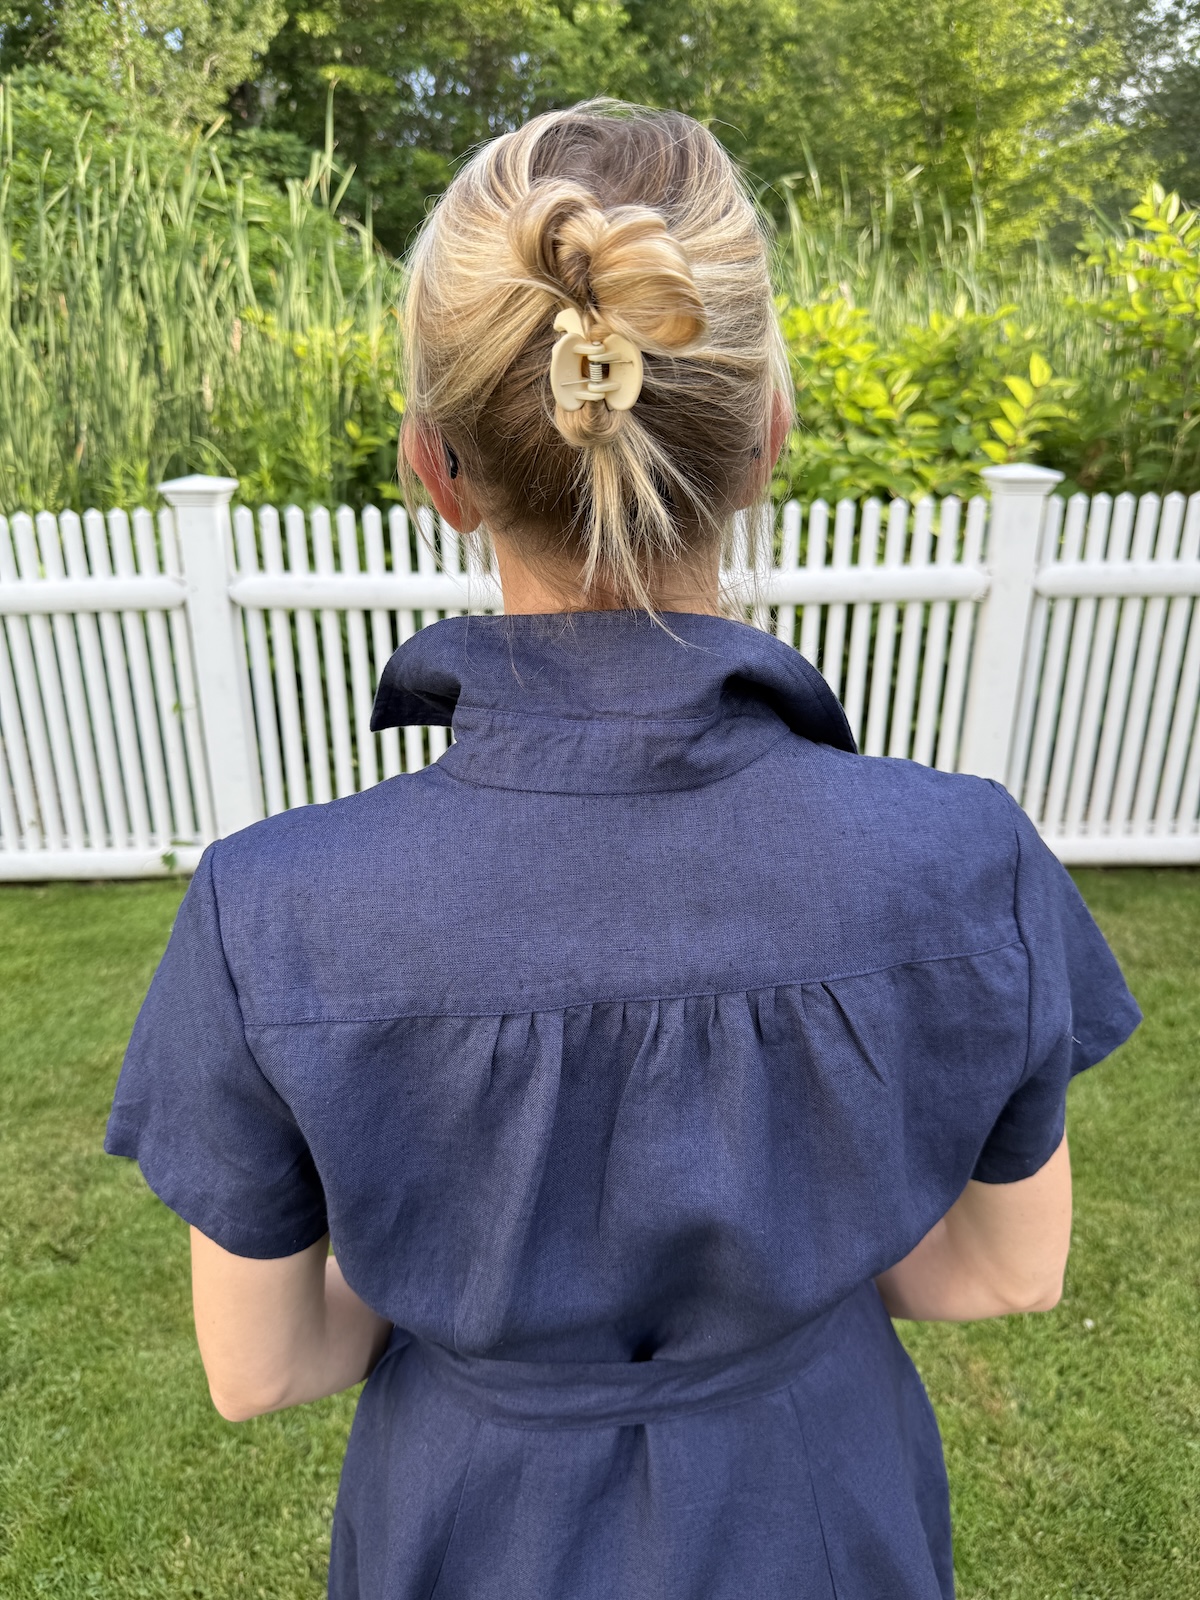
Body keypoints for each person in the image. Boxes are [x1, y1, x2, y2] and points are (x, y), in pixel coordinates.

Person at [105, 100, 1141, 1600]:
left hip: (468, 1528)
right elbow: (1007, 1269)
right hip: (820, 1514)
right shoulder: (964, 860)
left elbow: (262, 1366)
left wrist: (473, 1256)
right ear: (765, 442)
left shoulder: (272, 911)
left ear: (435, 469)